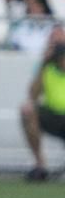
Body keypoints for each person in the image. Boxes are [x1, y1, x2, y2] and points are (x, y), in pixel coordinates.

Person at [22, 28, 65, 181]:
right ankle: (40, 165)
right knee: (27, 111)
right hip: (53, 115)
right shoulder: (47, 69)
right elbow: (32, 95)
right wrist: (43, 64)